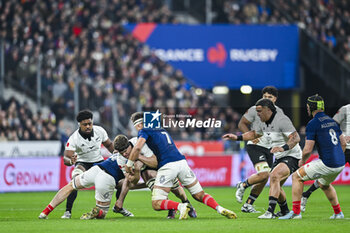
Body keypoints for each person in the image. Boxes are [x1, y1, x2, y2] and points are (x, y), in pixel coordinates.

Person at [125, 112, 236, 220]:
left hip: (167, 165)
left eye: (136, 127)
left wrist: (129, 163)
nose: (136, 129)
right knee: (199, 194)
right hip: (182, 163)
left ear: (139, 124)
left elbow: (138, 147)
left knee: (156, 203)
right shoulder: (161, 129)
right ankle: (219, 208)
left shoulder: (144, 130)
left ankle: (181, 206)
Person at [223, 98, 302, 219]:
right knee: (275, 184)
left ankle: (270, 212)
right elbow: (254, 134)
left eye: (259, 111)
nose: (257, 113)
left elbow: (296, 138)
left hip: (292, 156)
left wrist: (283, 147)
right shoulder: (263, 122)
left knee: (274, 176)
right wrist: (237, 138)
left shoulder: (282, 121)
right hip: (280, 157)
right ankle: (285, 211)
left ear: (268, 110)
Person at [279, 95, 346, 219]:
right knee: (324, 185)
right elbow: (343, 143)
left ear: (310, 107)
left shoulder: (313, 123)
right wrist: (337, 156)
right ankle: (338, 213)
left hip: (328, 163)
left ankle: (296, 212)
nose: (307, 109)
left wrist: (302, 161)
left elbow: (307, 150)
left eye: (308, 107)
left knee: (296, 177)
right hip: (341, 163)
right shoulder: (332, 121)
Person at [112, 134, 197, 219]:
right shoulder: (121, 160)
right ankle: (171, 209)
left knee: (176, 190)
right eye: (121, 152)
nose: (124, 154)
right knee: (157, 192)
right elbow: (132, 181)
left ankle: (187, 203)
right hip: (146, 170)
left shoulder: (139, 143)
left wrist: (138, 157)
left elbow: (155, 162)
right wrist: (137, 170)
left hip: (160, 162)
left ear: (129, 145)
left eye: (125, 150)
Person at [38, 151, 141, 219]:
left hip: (95, 170)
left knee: (70, 186)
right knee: (102, 213)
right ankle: (97, 211)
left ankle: (45, 212)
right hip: (107, 178)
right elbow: (130, 184)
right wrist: (146, 185)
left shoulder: (117, 154)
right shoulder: (129, 160)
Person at [236, 86, 285, 214]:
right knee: (265, 174)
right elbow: (241, 123)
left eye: (270, 97)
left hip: (270, 149)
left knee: (264, 179)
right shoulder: (254, 109)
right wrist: (249, 135)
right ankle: (243, 185)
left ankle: (248, 205)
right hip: (255, 146)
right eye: (265, 97)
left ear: (275, 99)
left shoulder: (279, 112)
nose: (267, 99)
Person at [60, 110, 116, 219]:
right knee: (73, 182)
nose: (88, 126)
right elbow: (66, 158)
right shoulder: (74, 138)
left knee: (119, 182)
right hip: (83, 163)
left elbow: (109, 145)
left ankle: (119, 207)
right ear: (79, 125)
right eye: (84, 124)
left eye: (90, 123)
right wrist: (71, 161)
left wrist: (117, 154)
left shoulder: (100, 131)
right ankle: (67, 212)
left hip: (99, 162)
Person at [300, 103, 350, 212]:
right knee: (324, 183)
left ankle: (306, 194)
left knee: (323, 183)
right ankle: (306, 195)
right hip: (343, 148)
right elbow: (332, 124)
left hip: (342, 147)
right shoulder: (345, 109)